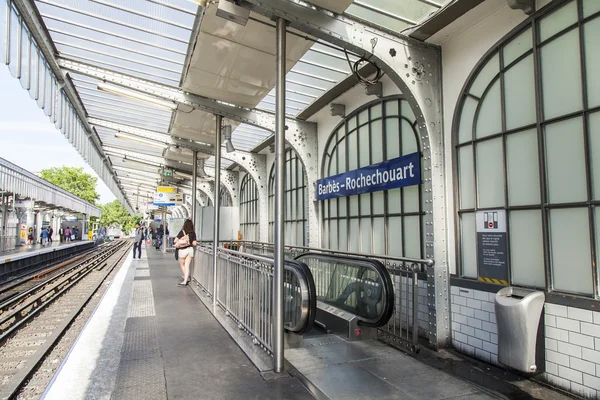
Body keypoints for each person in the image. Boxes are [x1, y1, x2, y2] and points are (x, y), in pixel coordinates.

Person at [174, 219, 197, 287]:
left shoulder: (182, 232)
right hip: (190, 250)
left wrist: (181, 240)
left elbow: (175, 240)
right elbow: (194, 243)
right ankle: (186, 279)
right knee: (187, 266)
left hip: (182, 250)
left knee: (182, 265)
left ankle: (185, 280)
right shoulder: (193, 233)